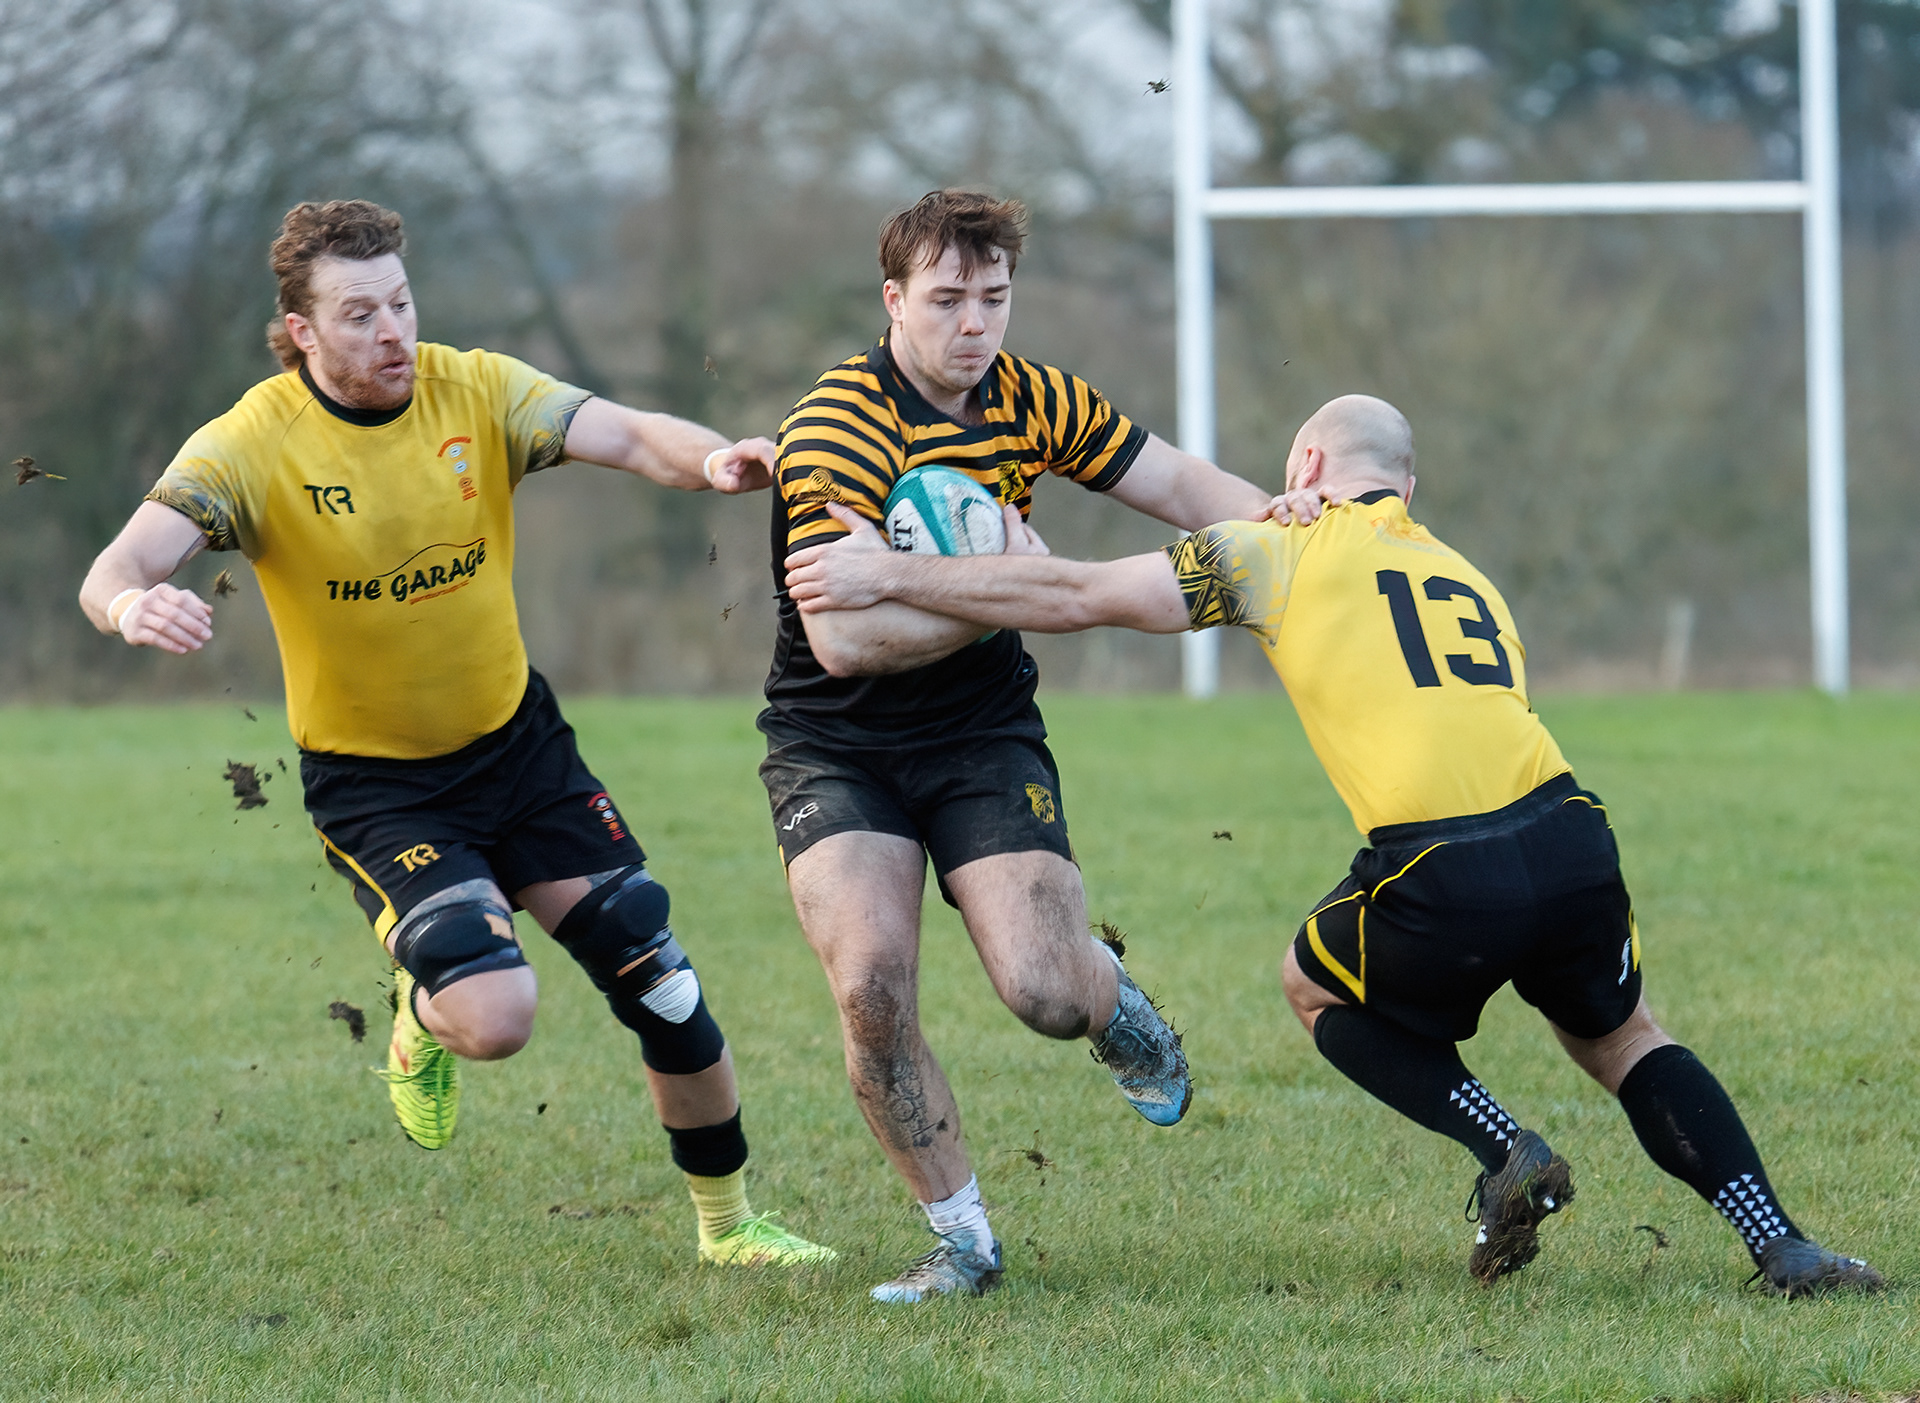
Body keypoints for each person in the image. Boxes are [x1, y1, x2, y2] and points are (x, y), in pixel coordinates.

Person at [782, 392, 1885, 1298]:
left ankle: (1504, 1146)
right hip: (1570, 836)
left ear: (1305, 465)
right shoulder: (1463, 569)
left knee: (1312, 984)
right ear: (1409, 487)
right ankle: (1783, 1244)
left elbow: (1078, 594)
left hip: (1443, 867)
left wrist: (887, 573)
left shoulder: (1273, 551)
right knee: (1626, 1036)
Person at [79, 198, 834, 1269]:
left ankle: (728, 1227)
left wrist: (713, 461)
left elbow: (625, 432)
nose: (392, 330)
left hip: (521, 750)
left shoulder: (474, 388)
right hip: (381, 788)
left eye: (400, 302)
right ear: (301, 330)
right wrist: (129, 604)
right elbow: (115, 566)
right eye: (358, 315)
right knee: (496, 1017)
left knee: (659, 976)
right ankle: (423, 1000)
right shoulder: (249, 444)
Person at [760, 189, 1272, 1303]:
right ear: (893, 299)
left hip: (982, 730)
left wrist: (1286, 529)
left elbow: (1179, 483)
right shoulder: (837, 425)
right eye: (948, 298)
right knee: (872, 991)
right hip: (834, 742)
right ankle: (964, 1242)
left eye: (993, 297)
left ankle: (1112, 1001)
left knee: (1044, 990)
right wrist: (1016, 585)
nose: (975, 323)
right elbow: (846, 641)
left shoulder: (1031, 396)